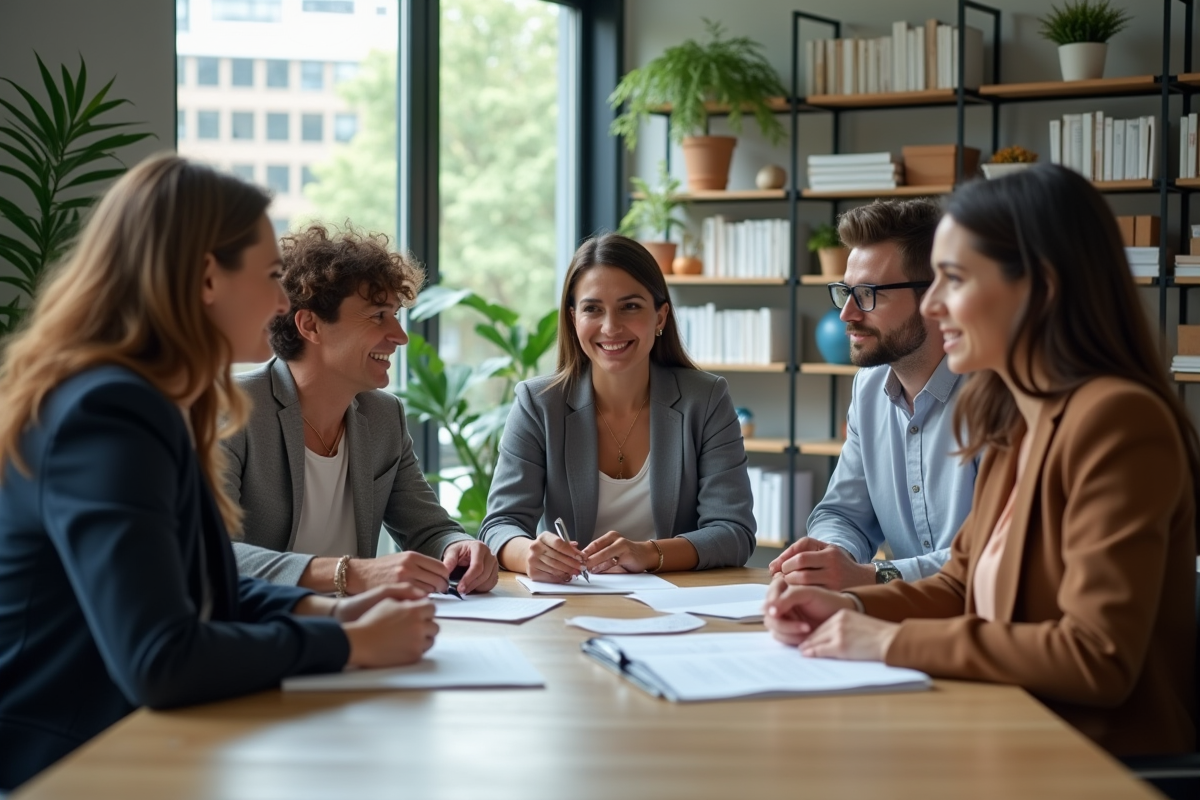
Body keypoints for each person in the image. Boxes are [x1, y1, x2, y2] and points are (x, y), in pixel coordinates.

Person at [0, 155, 439, 791]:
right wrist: (351, 647)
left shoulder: (155, 398)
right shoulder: (108, 411)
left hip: (134, 742)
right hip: (70, 766)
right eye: (269, 276)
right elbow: (161, 657)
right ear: (208, 277)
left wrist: (336, 614)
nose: (283, 301)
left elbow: (203, 585)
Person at [764, 164, 1197, 757]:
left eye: (954, 280)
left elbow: (1098, 657)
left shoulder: (1118, 420)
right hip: (1005, 729)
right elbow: (961, 583)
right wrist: (846, 605)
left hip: (1095, 761)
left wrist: (885, 641)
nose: (936, 306)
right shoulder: (1017, 411)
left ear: (1039, 286)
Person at [223, 223, 498, 597]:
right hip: (267, 633)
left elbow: (428, 529)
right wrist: (348, 574)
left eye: (396, 315)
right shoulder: (230, 411)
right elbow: (211, 553)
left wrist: (456, 547)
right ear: (310, 325)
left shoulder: (384, 416)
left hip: (362, 630)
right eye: (377, 316)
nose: (400, 336)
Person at [479, 233, 755, 581]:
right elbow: (500, 526)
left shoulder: (707, 398)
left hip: (676, 608)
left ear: (660, 317)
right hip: (572, 605)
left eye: (630, 306)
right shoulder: (538, 404)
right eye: (592, 309)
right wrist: (528, 553)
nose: (610, 327)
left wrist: (648, 553)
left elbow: (733, 532)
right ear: (573, 318)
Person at [768, 199, 977, 591]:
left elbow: (1000, 552)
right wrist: (828, 558)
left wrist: (877, 575)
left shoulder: (997, 395)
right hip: (908, 615)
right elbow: (843, 514)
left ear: (934, 297)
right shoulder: (868, 389)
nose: (847, 313)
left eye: (867, 293)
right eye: (845, 292)